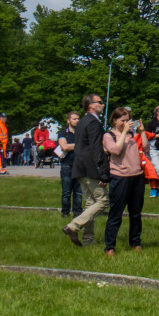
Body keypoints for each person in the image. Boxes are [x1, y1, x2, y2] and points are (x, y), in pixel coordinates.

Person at [99, 107, 146, 255]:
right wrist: (124, 132)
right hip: (119, 177)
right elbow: (115, 151)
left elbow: (145, 147)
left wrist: (142, 132)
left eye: (128, 121)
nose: (126, 123)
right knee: (116, 213)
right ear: (114, 120)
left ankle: (135, 242)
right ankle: (110, 246)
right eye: (122, 121)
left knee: (136, 213)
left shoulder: (133, 135)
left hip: (137, 176)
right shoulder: (108, 136)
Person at [63, 94, 109, 246]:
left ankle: (88, 240)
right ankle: (73, 226)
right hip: (90, 167)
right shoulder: (93, 123)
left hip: (80, 166)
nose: (103, 104)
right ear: (91, 106)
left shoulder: (82, 121)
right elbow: (96, 148)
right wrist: (103, 172)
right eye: (100, 102)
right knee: (103, 201)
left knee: (90, 203)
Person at [57, 111, 80, 216]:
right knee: (66, 193)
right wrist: (80, 145)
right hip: (67, 166)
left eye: (78, 118)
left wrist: (72, 145)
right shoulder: (63, 133)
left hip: (79, 166)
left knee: (78, 193)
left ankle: (77, 213)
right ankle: (65, 213)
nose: (77, 121)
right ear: (68, 120)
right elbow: (64, 147)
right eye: (74, 119)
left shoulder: (82, 133)